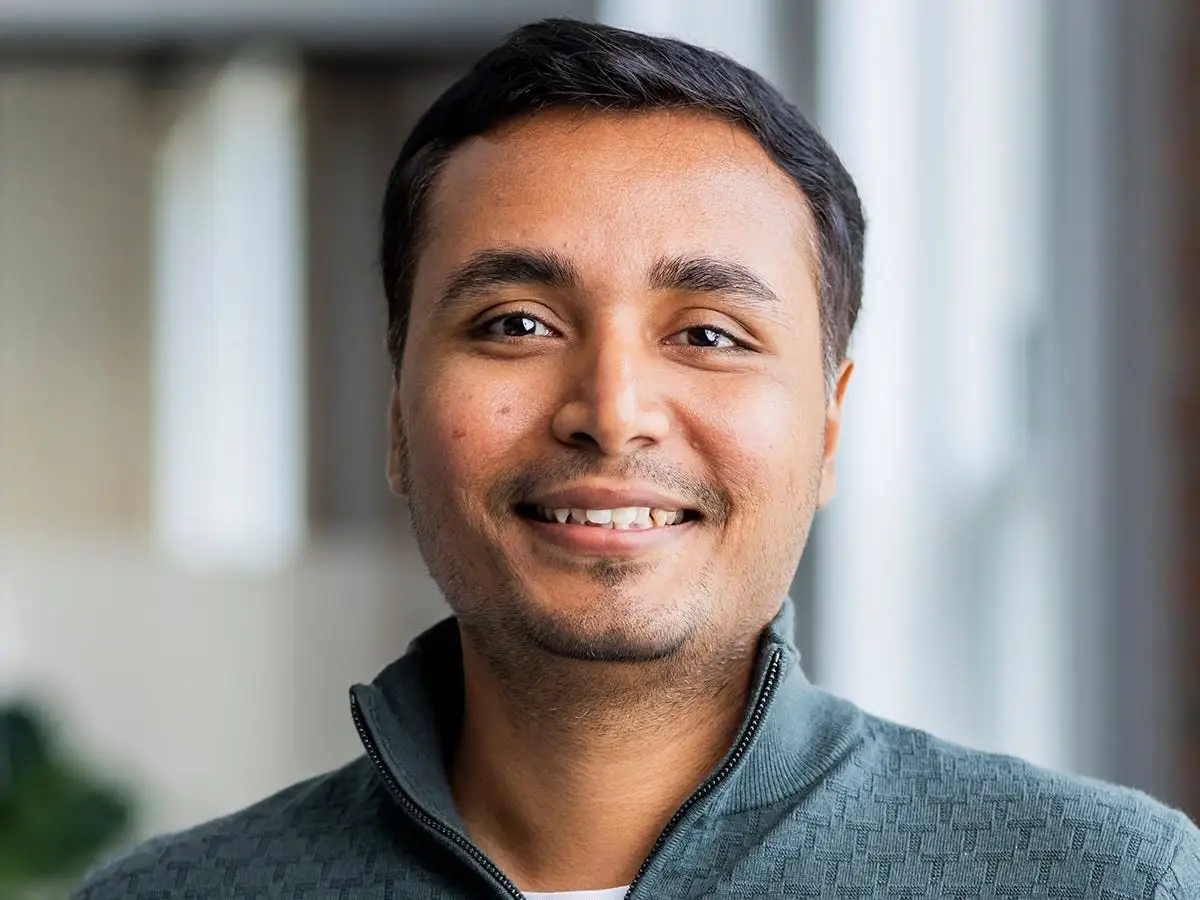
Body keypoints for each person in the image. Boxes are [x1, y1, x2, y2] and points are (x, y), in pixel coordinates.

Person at [74, 17, 1200, 900]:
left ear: (827, 434)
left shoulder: (1112, 883)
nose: (612, 416)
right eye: (515, 323)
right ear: (395, 421)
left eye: (708, 334)